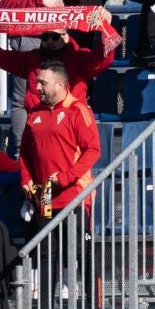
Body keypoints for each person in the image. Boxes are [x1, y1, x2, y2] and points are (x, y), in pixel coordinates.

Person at [0, 20, 118, 117]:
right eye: (45, 36)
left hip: (72, 125)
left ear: (66, 38)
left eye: (55, 37)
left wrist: (106, 26)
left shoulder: (81, 58)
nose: (49, 41)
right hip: (39, 126)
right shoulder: (31, 59)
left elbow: (105, 58)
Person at [19, 63, 101, 225]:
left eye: (43, 83)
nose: (38, 88)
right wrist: (25, 179)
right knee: (45, 250)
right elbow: (25, 152)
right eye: (37, 82)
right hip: (44, 198)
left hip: (74, 197)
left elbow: (93, 150)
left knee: (75, 250)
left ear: (60, 85)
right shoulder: (35, 112)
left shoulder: (77, 110)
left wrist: (66, 177)